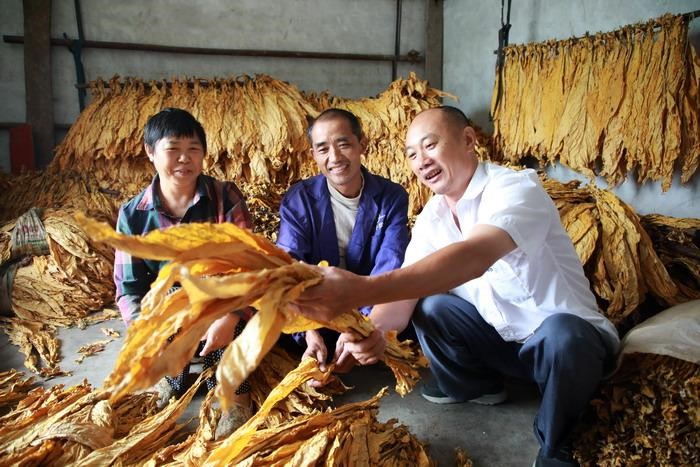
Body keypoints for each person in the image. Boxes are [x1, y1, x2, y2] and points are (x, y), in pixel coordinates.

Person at [295, 106, 620, 467]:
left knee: (563, 332)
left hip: (565, 350)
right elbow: (403, 296)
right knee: (431, 305)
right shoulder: (432, 218)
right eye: (412, 154)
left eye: (430, 145)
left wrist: (362, 289)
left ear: (468, 140)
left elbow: (475, 255)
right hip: (504, 348)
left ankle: (556, 444)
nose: (421, 161)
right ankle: (477, 385)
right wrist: (368, 332)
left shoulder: (514, 188)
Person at [113, 107, 254, 439]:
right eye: (173, 149)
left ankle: (236, 396)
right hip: (169, 311)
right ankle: (170, 379)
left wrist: (230, 316)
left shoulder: (225, 197)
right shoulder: (133, 215)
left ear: (203, 154)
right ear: (150, 152)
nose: (184, 159)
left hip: (222, 300)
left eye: (193, 149)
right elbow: (129, 288)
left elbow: (247, 267)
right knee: (169, 305)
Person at [277, 108, 410, 381]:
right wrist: (308, 332)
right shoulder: (299, 200)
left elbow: (390, 262)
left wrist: (360, 327)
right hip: (314, 313)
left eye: (344, 144)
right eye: (323, 149)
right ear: (314, 155)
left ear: (362, 145)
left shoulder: (391, 196)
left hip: (371, 311)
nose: (335, 157)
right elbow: (288, 268)